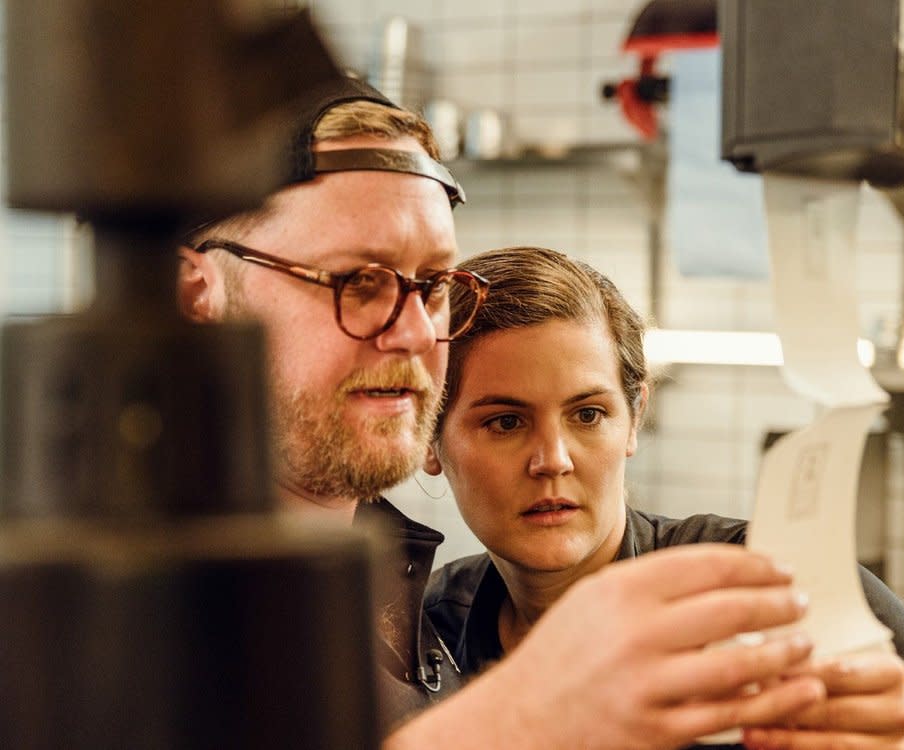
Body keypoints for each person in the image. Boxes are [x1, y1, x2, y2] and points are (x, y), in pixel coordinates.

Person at [178, 76, 829, 749]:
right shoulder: (123, 602)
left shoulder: (395, 604)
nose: (414, 332)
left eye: (431, 286)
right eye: (356, 281)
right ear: (196, 295)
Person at [423, 245, 904, 749]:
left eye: (589, 414)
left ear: (634, 419)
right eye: (504, 422)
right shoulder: (425, 632)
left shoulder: (762, 587)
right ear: (428, 437)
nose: (553, 458)